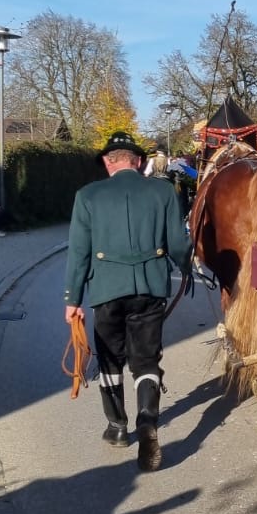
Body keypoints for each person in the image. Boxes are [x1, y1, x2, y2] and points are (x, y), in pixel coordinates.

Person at [64, 130, 191, 471]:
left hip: (107, 290)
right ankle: (147, 419)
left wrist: (72, 299)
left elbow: (78, 253)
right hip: (150, 288)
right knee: (146, 360)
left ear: (108, 163)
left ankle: (117, 427)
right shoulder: (164, 191)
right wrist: (186, 267)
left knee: (110, 359)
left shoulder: (87, 196)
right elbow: (178, 242)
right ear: (138, 162)